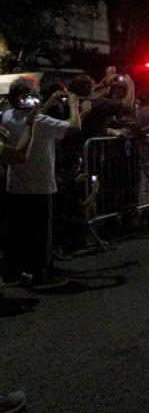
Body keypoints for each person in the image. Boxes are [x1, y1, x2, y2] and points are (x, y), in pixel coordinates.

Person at [1, 77, 80, 288]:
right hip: (40, 184)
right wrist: (73, 105)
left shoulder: (7, 116)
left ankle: (12, 273)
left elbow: (30, 115)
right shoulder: (41, 122)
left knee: (17, 232)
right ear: (26, 98)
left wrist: (48, 103)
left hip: (15, 185)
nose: (38, 98)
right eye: (35, 95)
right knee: (41, 234)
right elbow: (74, 126)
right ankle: (42, 275)